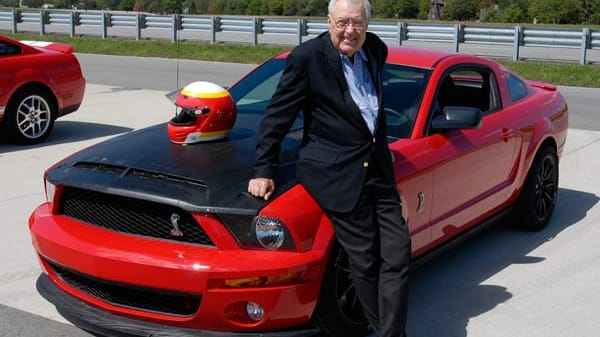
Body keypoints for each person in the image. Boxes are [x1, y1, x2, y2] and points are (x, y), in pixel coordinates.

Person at [247, 0, 411, 336]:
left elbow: (373, 118)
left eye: (358, 23)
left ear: (368, 24)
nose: (351, 30)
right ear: (328, 21)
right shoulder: (307, 58)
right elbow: (279, 115)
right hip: (335, 174)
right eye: (343, 22)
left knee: (397, 255)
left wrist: (387, 165)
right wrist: (264, 168)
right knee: (364, 260)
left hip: (378, 172)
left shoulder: (375, 50)